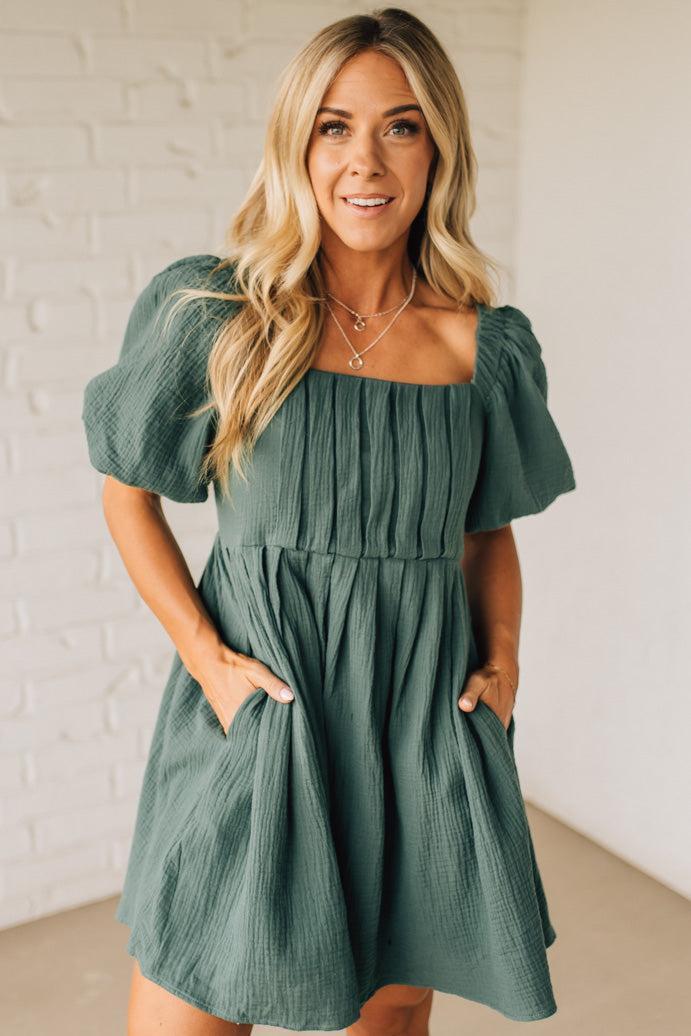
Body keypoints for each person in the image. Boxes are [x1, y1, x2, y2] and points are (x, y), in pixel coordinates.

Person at [82, 9, 576, 1035]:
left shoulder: (481, 349)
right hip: (264, 714)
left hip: (418, 727)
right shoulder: (216, 315)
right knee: (189, 998)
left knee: (391, 1008)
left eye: (399, 126)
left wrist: (506, 662)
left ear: (437, 146)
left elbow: (485, 532)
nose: (365, 159)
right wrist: (210, 665)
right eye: (333, 126)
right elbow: (126, 490)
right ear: (295, 141)